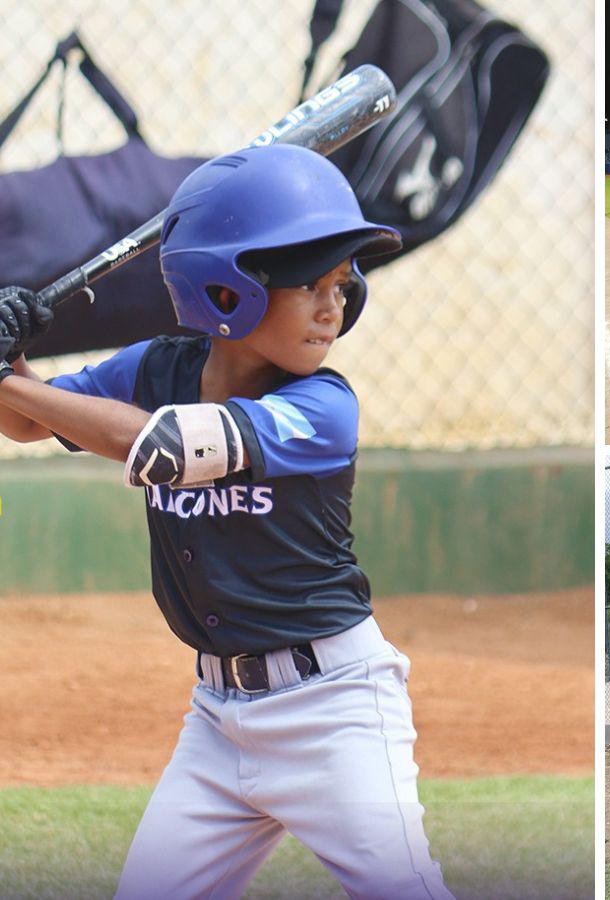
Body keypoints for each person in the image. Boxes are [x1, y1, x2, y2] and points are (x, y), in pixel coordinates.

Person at [0, 144, 455, 898]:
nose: (332, 306)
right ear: (222, 291)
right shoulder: (155, 369)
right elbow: (23, 424)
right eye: (308, 283)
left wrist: (17, 379)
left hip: (333, 713)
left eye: (342, 284)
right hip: (217, 719)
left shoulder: (323, 408)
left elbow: (164, 448)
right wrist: (12, 362)